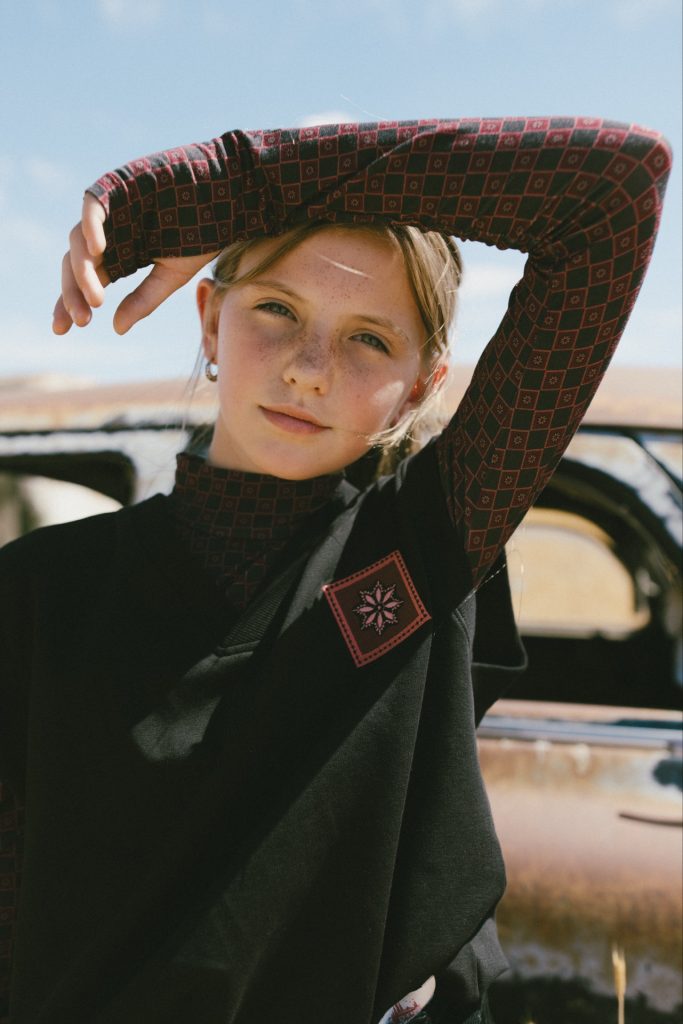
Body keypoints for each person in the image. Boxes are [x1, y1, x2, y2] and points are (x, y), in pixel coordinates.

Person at [0, 117, 671, 1024]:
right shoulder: (41, 590)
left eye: (369, 340)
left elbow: (613, 186)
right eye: (277, 310)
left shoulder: (425, 547)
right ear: (209, 320)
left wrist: (233, 183)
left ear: (423, 384)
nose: (310, 370)